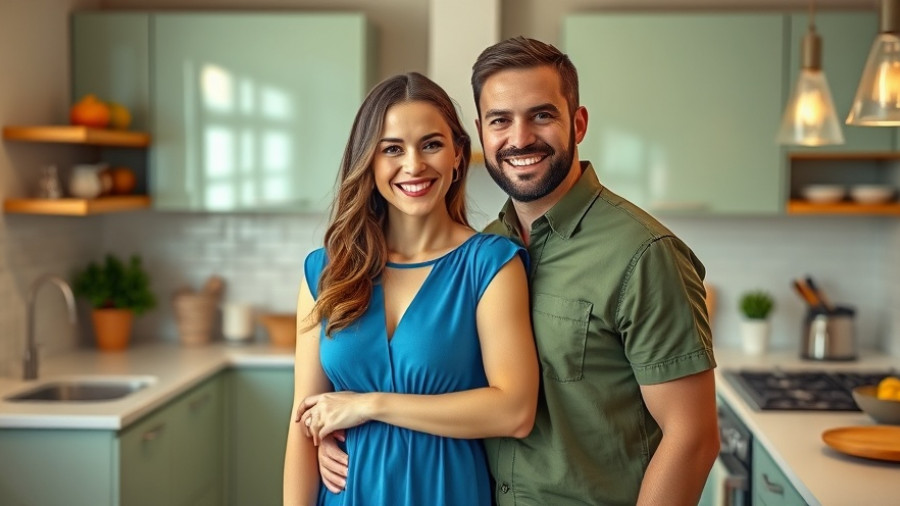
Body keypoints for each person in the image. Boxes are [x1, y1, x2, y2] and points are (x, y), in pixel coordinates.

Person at [316, 38, 720, 506]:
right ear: (480, 134)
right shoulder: (484, 252)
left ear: (579, 123)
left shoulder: (643, 254)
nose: (520, 137)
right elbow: (436, 381)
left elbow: (692, 438)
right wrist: (348, 431)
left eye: (542, 115)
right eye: (500, 120)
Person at [283, 71, 539, 506]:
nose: (414, 165)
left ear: (458, 154)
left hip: (446, 492)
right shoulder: (326, 270)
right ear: (370, 161)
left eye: (431, 144)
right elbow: (303, 422)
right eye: (392, 150)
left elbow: (515, 411)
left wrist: (369, 406)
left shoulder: (491, 264)